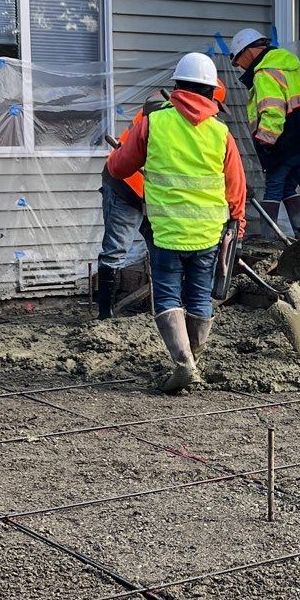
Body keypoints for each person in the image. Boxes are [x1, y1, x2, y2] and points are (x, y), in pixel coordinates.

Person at [107, 52, 246, 393]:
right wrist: (237, 228)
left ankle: (184, 363)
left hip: (166, 232)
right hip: (208, 234)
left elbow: (118, 169)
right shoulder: (220, 132)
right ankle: (194, 360)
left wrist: (120, 156)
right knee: (199, 295)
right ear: (211, 90)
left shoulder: (154, 122)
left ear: (177, 86)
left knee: (168, 294)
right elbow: (236, 188)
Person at [229, 27, 300, 236]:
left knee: (274, 187)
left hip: (282, 141)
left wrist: (264, 142)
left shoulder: (264, 72)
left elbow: (273, 110)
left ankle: (267, 239)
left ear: (248, 51)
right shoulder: (294, 66)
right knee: (289, 186)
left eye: (237, 60)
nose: (239, 67)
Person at [96, 102, 152, 320]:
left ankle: (162, 306)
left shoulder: (165, 111)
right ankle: (105, 315)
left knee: (163, 247)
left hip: (154, 196)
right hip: (127, 186)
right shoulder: (160, 115)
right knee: (116, 250)